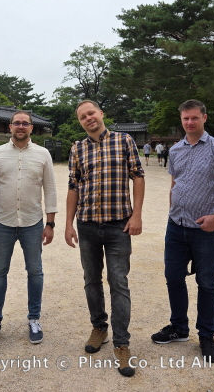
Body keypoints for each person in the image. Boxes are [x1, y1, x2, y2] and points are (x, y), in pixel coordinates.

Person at [151, 99, 214, 363]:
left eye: (194, 117)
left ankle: (206, 335)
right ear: (181, 120)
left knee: (206, 282)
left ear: (204, 118)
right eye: (185, 118)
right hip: (176, 226)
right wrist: (172, 211)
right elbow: (175, 184)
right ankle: (179, 327)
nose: (190, 122)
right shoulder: (176, 150)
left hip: (206, 229)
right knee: (173, 278)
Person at [65, 99, 145, 378]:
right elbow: (73, 186)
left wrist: (137, 215)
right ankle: (99, 327)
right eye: (83, 117)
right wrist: (68, 224)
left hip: (118, 225)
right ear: (80, 122)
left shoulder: (124, 141)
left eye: (91, 113)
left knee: (118, 282)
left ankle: (122, 343)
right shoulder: (78, 148)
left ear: (101, 114)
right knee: (91, 279)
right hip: (87, 224)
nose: (88, 118)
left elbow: (137, 176)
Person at [0, 110, 57, 346]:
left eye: (25, 123)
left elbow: (50, 189)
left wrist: (50, 223)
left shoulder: (43, 154)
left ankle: (34, 318)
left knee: (35, 271)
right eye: (17, 123)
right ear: (10, 127)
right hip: (2, 222)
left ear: (32, 127)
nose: (21, 126)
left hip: (33, 222)